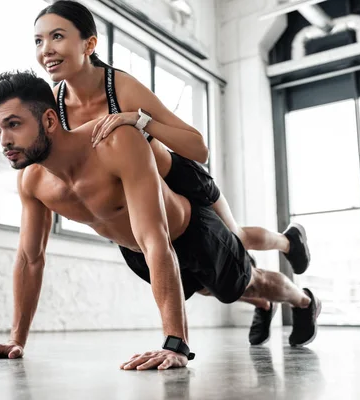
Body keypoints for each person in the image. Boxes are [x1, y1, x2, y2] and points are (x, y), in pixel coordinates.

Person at [0, 71, 322, 369]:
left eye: (13, 125)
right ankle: (263, 303)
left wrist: (175, 344)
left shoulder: (114, 142)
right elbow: (30, 259)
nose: (5, 140)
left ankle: (304, 301)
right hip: (137, 251)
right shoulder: (33, 181)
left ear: (49, 120)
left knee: (249, 283)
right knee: (212, 289)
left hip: (188, 234)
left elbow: (156, 237)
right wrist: (15, 340)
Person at [32, 1, 311, 344]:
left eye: (56, 37)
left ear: (89, 45)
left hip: (180, 180)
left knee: (235, 238)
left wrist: (138, 119)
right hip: (146, 196)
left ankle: (288, 241)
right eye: (38, 40)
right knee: (209, 285)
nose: (46, 49)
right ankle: (263, 303)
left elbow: (198, 147)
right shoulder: (55, 107)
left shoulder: (119, 87)